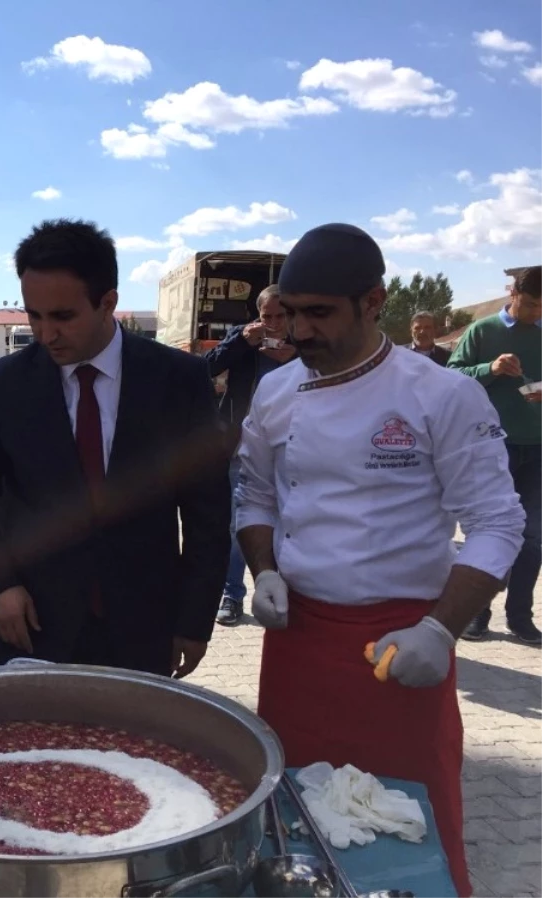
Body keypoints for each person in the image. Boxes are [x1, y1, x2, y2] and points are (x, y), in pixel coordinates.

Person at [236, 224, 525, 898]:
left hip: (400, 645)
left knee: (409, 825)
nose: (299, 331)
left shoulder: (440, 395)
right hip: (298, 641)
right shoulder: (277, 393)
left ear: (374, 302)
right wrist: (265, 571)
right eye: (291, 312)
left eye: (319, 313)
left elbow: (498, 521)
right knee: (294, 823)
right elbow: (251, 492)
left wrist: (439, 629)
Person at [0, 219, 231, 676]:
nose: (45, 334)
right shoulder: (7, 383)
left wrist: (195, 619)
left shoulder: (177, 379)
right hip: (34, 623)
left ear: (108, 304)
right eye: (33, 316)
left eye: (62, 316)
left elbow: (207, 511)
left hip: (144, 627)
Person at [448, 266, 542, 643]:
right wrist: (491, 367)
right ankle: (476, 614)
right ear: (513, 293)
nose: (537, 313)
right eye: (532, 304)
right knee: (485, 531)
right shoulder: (482, 331)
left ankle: (520, 617)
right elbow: (453, 377)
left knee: (533, 537)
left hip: (537, 447)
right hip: (492, 446)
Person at [204, 285, 297, 625]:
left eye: (280, 316)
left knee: (292, 522)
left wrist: (297, 355)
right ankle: (232, 596)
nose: (272, 324)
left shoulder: (307, 343)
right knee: (236, 524)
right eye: (266, 316)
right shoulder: (242, 339)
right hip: (241, 447)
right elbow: (206, 368)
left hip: (293, 448)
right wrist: (242, 341)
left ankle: (288, 592)